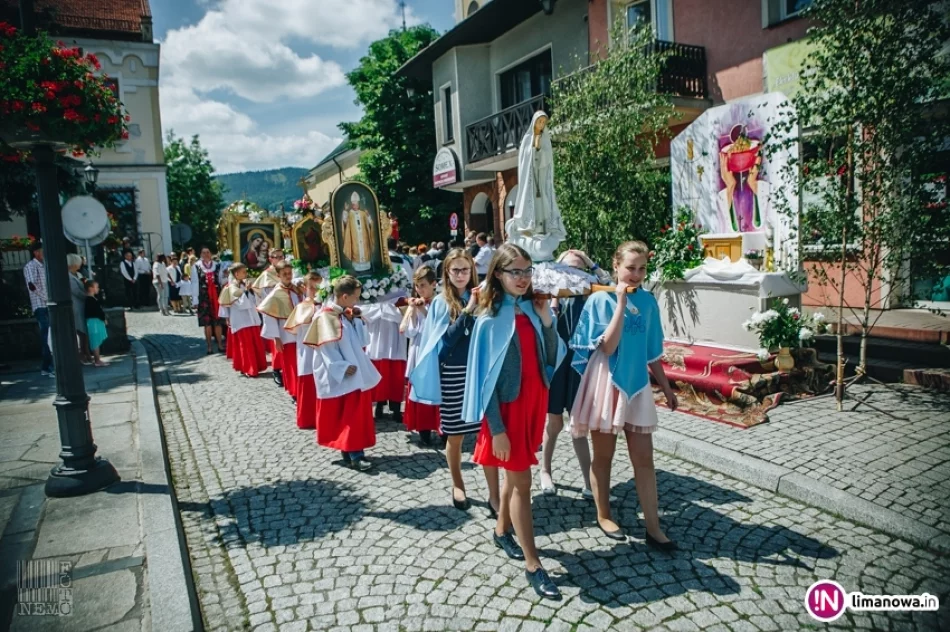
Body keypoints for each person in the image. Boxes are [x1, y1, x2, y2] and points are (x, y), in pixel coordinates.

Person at [462, 243, 564, 600]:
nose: (522, 278)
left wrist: (548, 320)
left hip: (534, 404)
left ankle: (501, 529)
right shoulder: (489, 319)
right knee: (522, 484)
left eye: (526, 271)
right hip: (507, 411)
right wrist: (497, 429)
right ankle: (533, 565)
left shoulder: (532, 310)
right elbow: (484, 381)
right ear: (498, 275)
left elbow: (551, 358)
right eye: (514, 272)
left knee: (514, 474)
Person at [569, 241, 678, 550]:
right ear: (615, 266)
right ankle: (604, 514)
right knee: (603, 456)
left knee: (644, 458)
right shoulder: (599, 299)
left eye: (642, 268)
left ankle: (653, 527)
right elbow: (608, 347)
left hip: (638, 386)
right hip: (606, 383)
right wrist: (618, 303)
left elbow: (652, 351)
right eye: (630, 267)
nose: (636, 274)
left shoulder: (648, 301)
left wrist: (667, 389)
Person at [409, 249, 499, 515]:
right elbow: (445, 343)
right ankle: (458, 483)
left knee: (488, 433)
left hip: (480, 371)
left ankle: (494, 494)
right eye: (455, 270)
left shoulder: (484, 297)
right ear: (446, 274)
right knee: (456, 433)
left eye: (465, 269)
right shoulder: (441, 303)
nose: (461, 275)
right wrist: (468, 311)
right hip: (453, 373)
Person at [540, 250, 599, 499]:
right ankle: (545, 470)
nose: (572, 275)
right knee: (554, 422)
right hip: (557, 366)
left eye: (578, 269)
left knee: (578, 425)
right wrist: (554, 298)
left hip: (579, 366)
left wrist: (589, 261)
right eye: (568, 270)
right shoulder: (552, 295)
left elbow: (609, 282)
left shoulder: (590, 293)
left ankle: (589, 481)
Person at [305, 275, 381, 471]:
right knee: (351, 414)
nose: (357, 301)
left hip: (354, 369)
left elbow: (360, 341)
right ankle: (356, 455)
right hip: (341, 371)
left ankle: (349, 450)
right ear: (344, 296)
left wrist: (354, 320)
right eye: (355, 297)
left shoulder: (342, 314)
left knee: (353, 413)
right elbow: (325, 348)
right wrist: (340, 366)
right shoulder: (324, 317)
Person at [400, 266, 440, 446]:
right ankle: (423, 429)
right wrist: (414, 312)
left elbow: (437, 327)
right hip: (418, 350)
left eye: (423, 285)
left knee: (437, 387)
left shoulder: (440, 303)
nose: (420, 290)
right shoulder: (414, 305)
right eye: (417, 286)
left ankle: (442, 427)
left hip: (434, 351)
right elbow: (408, 332)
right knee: (419, 387)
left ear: (433, 284)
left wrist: (424, 310)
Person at [362, 289, 408, 424]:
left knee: (395, 375)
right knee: (378, 373)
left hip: (395, 339)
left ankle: (396, 408)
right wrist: (383, 307)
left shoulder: (400, 292)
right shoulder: (369, 292)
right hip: (375, 338)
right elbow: (363, 311)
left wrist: (383, 308)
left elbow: (404, 314)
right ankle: (379, 405)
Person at [285, 271, 323, 429]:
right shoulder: (302, 307)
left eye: (318, 287)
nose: (315, 291)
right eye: (312, 288)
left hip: (321, 350)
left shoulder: (324, 305)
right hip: (307, 351)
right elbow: (296, 327)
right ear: (305, 288)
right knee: (308, 383)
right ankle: (308, 418)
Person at [258, 261, 302, 396]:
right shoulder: (275, 295)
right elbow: (270, 318)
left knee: (301, 364)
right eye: (285, 274)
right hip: (286, 336)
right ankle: (294, 391)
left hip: (300, 333)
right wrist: (276, 338)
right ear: (278, 275)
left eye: (290, 273)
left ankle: (302, 391)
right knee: (292, 365)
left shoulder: (296, 289)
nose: (288, 276)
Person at [218, 263, 268, 377]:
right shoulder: (231, 288)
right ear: (236, 274)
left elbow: (254, 300)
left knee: (254, 344)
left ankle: (256, 366)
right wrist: (246, 290)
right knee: (245, 346)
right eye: (244, 272)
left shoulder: (243, 285)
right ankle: (248, 368)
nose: (246, 274)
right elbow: (241, 304)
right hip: (241, 321)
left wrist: (250, 291)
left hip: (251, 319)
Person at [24, 243, 53, 376]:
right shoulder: (31, 266)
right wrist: (47, 297)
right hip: (41, 305)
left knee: (51, 336)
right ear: (36, 252)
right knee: (46, 335)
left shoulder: (44, 265)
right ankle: (47, 367)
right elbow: (32, 286)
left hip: (47, 304)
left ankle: (48, 365)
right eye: (42, 251)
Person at [194, 247, 226, 354]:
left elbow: (221, 280)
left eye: (208, 252)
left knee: (218, 321)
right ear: (201, 254)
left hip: (216, 296)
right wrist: (195, 300)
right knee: (207, 323)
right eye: (204, 253)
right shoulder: (197, 266)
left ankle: (220, 345)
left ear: (211, 254)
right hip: (204, 296)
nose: (206, 254)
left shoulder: (217, 265)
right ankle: (209, 346)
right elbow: (194, 283)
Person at [67, 253, 92, 365]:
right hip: (76, 306)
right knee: (80, 332)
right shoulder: (69, 277)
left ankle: (86, 354)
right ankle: (82, 355)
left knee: (84, 332)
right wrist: (88, 294)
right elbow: (76, 292)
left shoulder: (76, 274)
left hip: (81, 306)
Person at [342, 191, 374, 273]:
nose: (355, 205)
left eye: (356, 204)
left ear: (358, 204)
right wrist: (345, 210)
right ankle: (357, 269)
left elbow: (370, 223)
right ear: (352, 205)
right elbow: (345, 222)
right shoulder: (349, 214)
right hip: (354, 237)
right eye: (353, 204)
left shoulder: (363, 213)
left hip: (364, 237)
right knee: (356, 251)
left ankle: (367, 268)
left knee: (365, 250)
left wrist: (368, 215)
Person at [84, 279, 108, 367]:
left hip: (95, 321)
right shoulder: (90, 299)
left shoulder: (91, 298)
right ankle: (97, 360)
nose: (98, 289)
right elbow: (96, 311)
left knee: (96, 340)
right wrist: (103, 318)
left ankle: (97, 359)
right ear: (91, 288)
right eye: (96, 287)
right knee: (95, 341)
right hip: (94, 321)